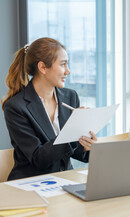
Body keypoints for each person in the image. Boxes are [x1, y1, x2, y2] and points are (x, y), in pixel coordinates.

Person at [2, 37, 97, 180]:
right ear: (42, 67)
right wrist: (72, 130)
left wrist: (87, 146)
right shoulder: (16, 107)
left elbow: (73, 150)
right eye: (63, 64)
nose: (68, 71)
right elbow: (38, 159)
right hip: (31, 184)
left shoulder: (70, 96)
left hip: (64, 180)